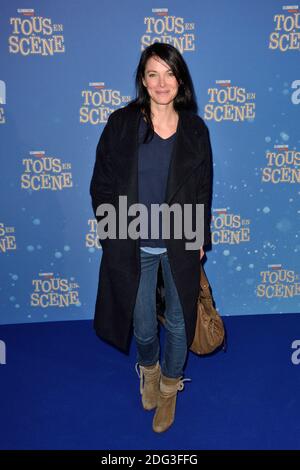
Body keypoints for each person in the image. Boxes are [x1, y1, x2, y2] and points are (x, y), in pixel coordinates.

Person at [90, 43, 213, 433]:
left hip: (179, 239)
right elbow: (102, 184)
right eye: (153, 74)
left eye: (170, 73)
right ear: (143, 80)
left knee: (179, 322)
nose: (162, 83)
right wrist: (112, 235)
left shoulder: (195, 129)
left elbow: (202, 190)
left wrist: (198, 241)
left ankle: (170, 386)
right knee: (142, 323)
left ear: (181, 79)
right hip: (133, 241)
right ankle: (148, 369)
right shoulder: (121, 123)